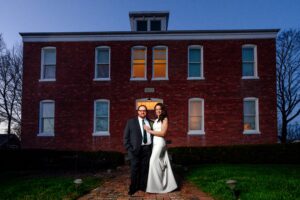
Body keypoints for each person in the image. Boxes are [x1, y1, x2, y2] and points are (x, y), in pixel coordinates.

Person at [143, 103, 178, 193]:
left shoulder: (165, 119)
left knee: (152, 162)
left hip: (160, 143)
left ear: (163, 110)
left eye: (159, 109)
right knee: (158, 163)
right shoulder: (156, 120)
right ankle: (162, 185)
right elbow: (150, 121)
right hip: (155, 143)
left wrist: (149, 130)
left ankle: (157, 187)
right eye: (156, 109)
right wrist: (143, 116)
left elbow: (163, 133)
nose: (158, 111)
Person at [123, 105, 153, 196]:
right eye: (141, 110)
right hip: (135, 150)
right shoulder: (131, 122)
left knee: (144, 169)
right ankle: (133, 188)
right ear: (138, 112)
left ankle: (143, 186)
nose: (142, 112)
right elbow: (125, 137)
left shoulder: (150, 122)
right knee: (134, 169)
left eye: (144, 111)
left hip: (147, 149)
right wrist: (129, 149)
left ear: (146, 112)